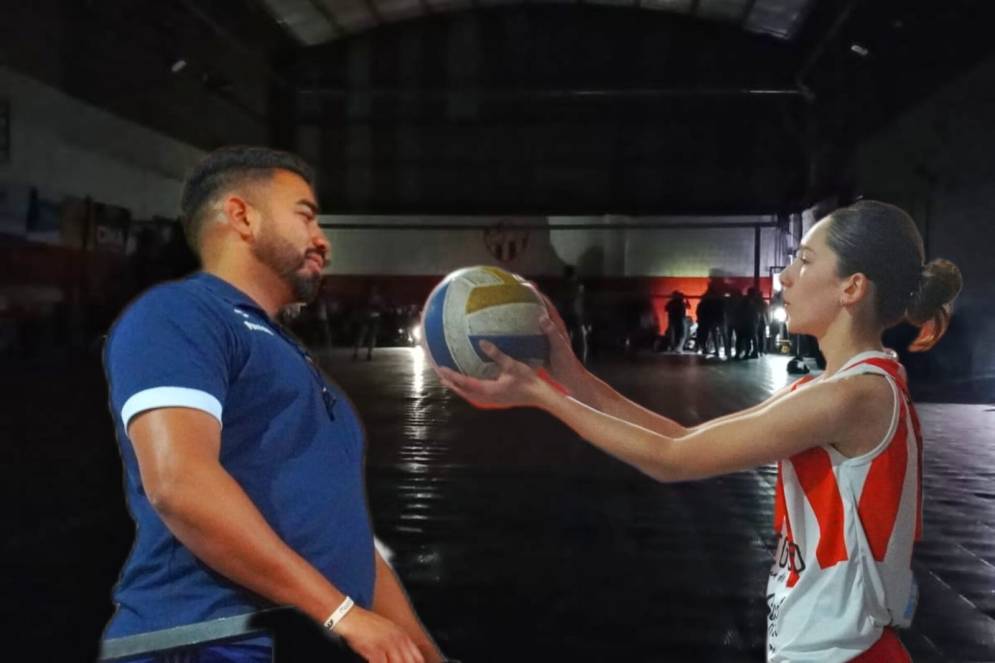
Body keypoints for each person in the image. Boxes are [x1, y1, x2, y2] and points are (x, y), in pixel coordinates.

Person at [434, 200, 962, 662]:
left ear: (852, 287)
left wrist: (541, 396)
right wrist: (570, 377)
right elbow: (680, 439)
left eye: (804, 261)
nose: (785, 277)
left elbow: (670, 461)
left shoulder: (853, 396)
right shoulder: (829, 388)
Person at [101, 146, 445, 663]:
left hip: (295, 638)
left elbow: (350, 542)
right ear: (242, 215)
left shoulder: (284, 350)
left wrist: (424, 654)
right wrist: (341, 614)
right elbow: (180, 484)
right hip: (207, 639)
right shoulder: (179, 315)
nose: (322, 241)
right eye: (305, 216)